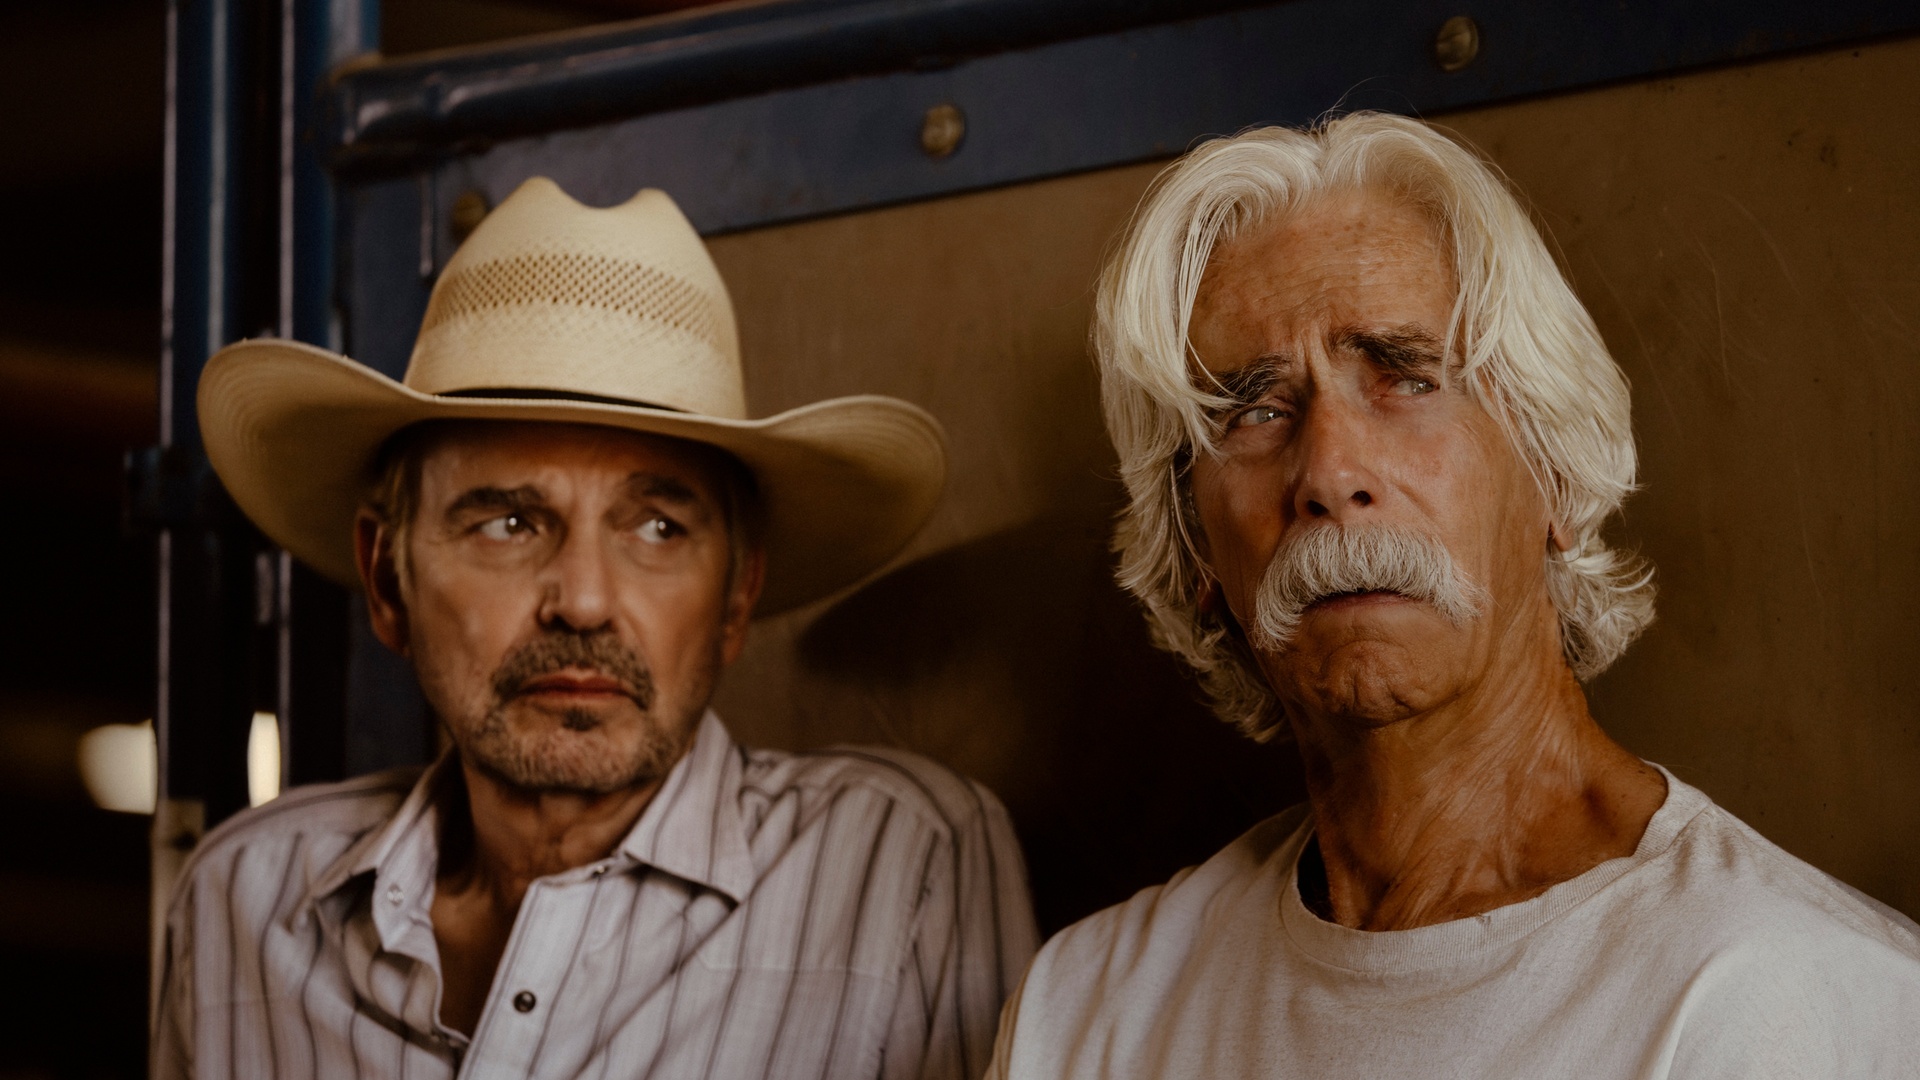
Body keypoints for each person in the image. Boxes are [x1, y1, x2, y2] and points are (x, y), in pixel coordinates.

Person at [986, 112, 1920, 1078]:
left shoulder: (1791, 1000)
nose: (1330, 474)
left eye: (1406, 380)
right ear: (1194, 548)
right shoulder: (1086, 1013)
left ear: (1553, 473)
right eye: (1256, 410)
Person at [155, 177, 1037, 1080]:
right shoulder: (242, 905)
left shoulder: (902, 865)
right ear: (389, 580)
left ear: (737, 598)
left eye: (658, 527)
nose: (581, 601)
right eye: (508, 523)